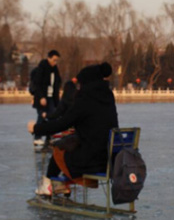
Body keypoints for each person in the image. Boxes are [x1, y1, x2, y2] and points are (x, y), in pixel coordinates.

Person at [28, 62, 118, 196]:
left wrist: (36, 128)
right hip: (108, 159)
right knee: (68, 144)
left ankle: (48, 185)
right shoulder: (108, 96)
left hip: (90, 160)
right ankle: (59, 184)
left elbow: (62, 123)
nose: (78, 88)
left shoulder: (85, 99)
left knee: (59, 148)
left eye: (80, 84)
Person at [32, 50, 62, 147]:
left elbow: (57, 83)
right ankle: (37, 137)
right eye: (54, 60)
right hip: (42, 97)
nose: (55, 62)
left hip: (51, 97)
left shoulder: (55, 70)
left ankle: (50, 137)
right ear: (49, 58)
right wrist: (41, 97)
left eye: (57, 60)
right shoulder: (42, 68)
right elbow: (38, 84)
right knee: (41, 116)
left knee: (52, 116)